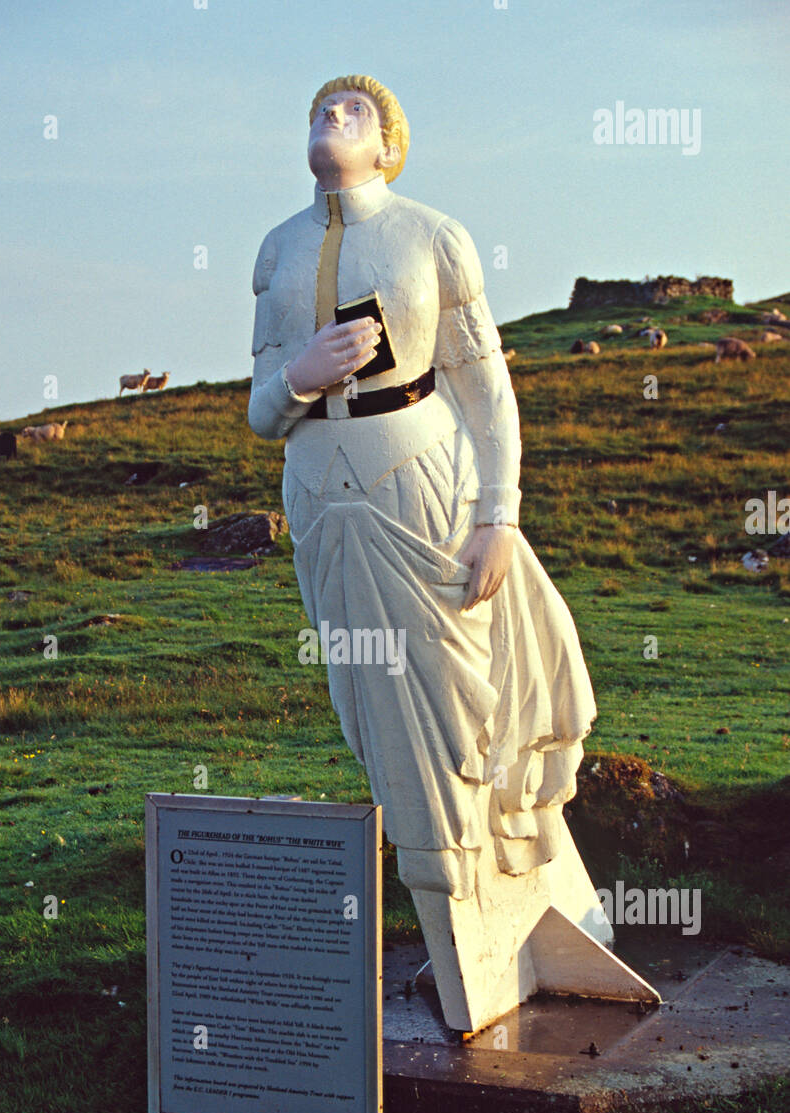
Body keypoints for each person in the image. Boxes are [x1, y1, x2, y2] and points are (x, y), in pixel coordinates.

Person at [248, 74, 596, 909]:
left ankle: (485, 895)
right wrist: (300, 376)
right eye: (320, 109)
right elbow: (262, 412)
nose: (332, 115)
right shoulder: (276, 249)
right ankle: (442, 904)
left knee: (451, 691)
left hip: (420, 485)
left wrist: (498, 514)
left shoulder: (433, 237)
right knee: (369, 703)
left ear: (388, 146)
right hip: (318, 498)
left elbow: (485, 390)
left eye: (355, 110)